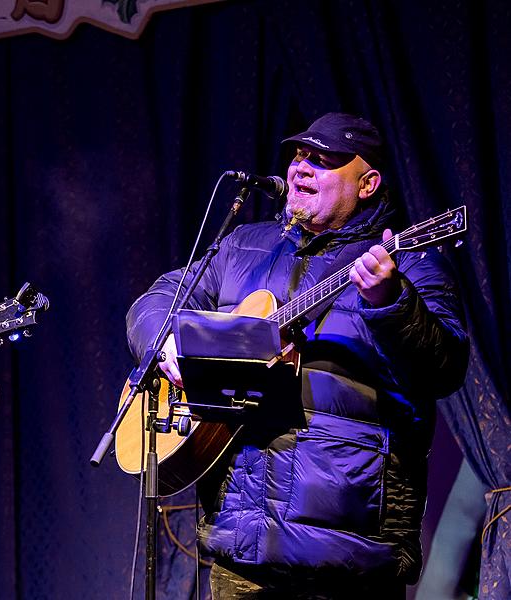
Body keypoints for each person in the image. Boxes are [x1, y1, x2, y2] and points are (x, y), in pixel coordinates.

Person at [126, 113, 469, 598]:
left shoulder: (410, 262)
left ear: (368, 183)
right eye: (300, 155)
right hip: (242, 548)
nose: (301, 168)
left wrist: (391, 301)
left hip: (350, 555)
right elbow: (159, 298)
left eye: (324, 160)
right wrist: (166, 344)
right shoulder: (245, 245)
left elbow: (447, 365)